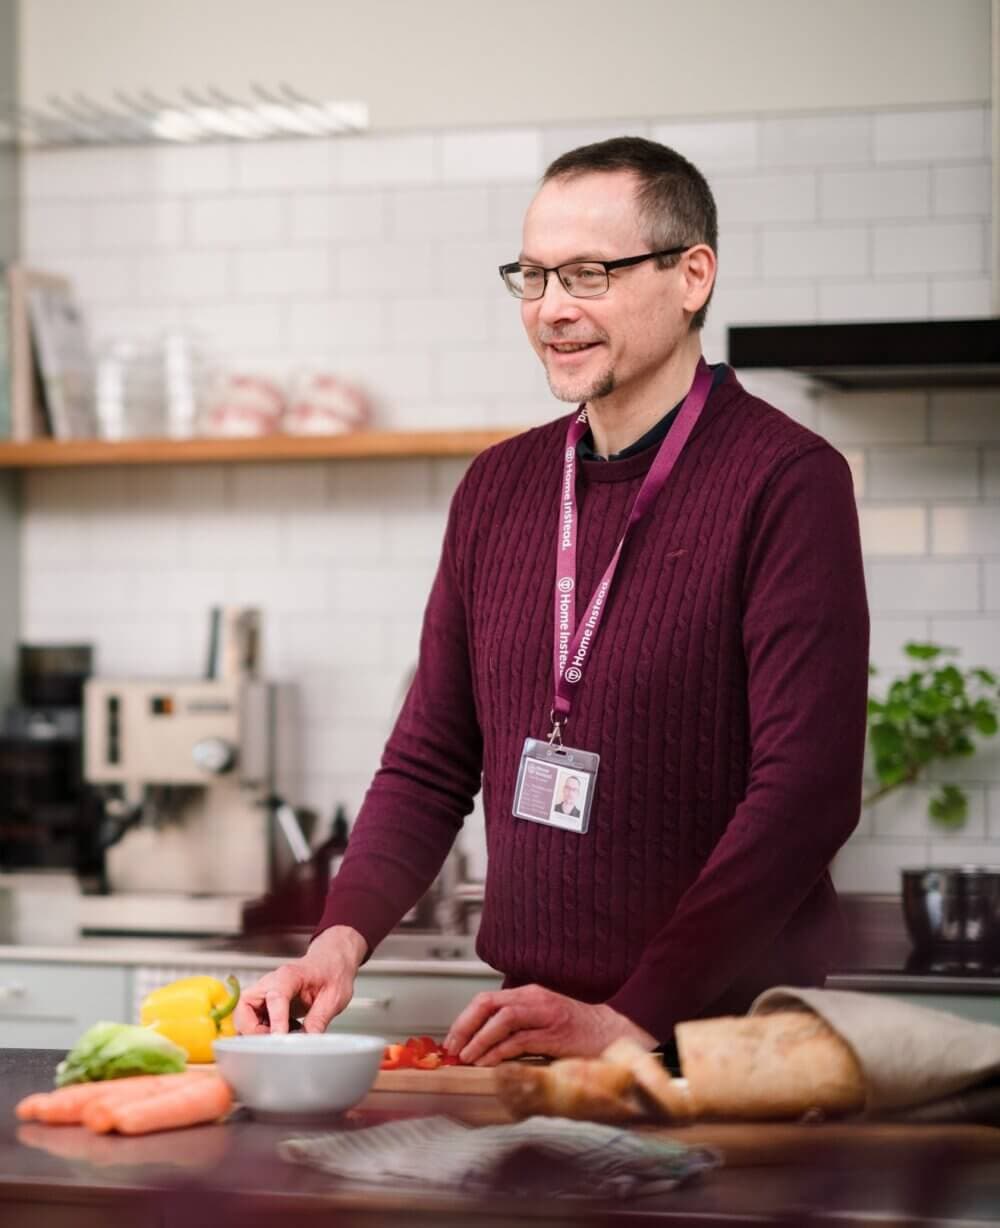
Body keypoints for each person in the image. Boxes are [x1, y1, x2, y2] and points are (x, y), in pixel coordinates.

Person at [234, 136, 869, 1065]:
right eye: (532, 278)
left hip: (733, 1052)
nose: (553, 311)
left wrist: (631, 1018)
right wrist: (339, 938)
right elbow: (429, 760)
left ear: (692, 276)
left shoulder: (788, 482)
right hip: (536, 1041)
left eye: (588, 274)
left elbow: (806, 798)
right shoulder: (497, 487)